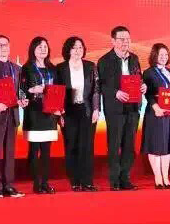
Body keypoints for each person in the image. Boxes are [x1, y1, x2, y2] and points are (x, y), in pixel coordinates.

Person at [97, 25, 142, 191]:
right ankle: (114, 180)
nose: (125, 42)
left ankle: (125, 179)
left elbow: (139, 78)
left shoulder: (134, 58)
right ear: (113, 41)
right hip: (115, 109)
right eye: (122, 39)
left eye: (127, 39)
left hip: (133, 107)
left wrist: (142, 86)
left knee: (129, 145)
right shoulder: (104, 60)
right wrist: (115, 92)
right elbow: (100, 85)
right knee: (115, 145)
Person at [0, 34, 28, 198]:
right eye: (0, 45)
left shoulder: (17, 68)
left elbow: (20, 91)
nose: (4, 48)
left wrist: (22, 100)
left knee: (10, 153)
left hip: (13, 114)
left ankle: (9, 185)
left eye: (6, 45)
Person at [56, 36, 99, 192]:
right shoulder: (60, 68)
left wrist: (96, 109)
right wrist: (59, 114)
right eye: (74, 47)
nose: (77, 50)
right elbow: (57, 92)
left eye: (80, 47)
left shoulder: (90, 66)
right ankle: (75, 181)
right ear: (68, 50)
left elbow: (96, 89)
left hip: (86, 109)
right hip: (68, 111)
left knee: (87, 146)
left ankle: (87, 181)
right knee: (71, 145)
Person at [21, 36, 60, 195]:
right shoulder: (26, 68)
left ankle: (45, 182)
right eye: (39, 47)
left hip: (49, 113)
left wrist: (59, 109)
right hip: (34, 112)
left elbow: (58, 90)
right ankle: (36, 183)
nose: (43, 49)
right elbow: (21, 89)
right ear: (33, 50)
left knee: (46, 151)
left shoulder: (53, 68)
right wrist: (31, 90)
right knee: (34, 149)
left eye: (45, 46)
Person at [141, 43, 170, 189]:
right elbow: (148, 94)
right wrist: (156, 107)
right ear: (154, 56)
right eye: (160, 55)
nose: (163, 57)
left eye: (165, 54)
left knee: (166, 145)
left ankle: (166, 178)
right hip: (155, 111)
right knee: (156, 144)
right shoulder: (148, 72)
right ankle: (158, 178)